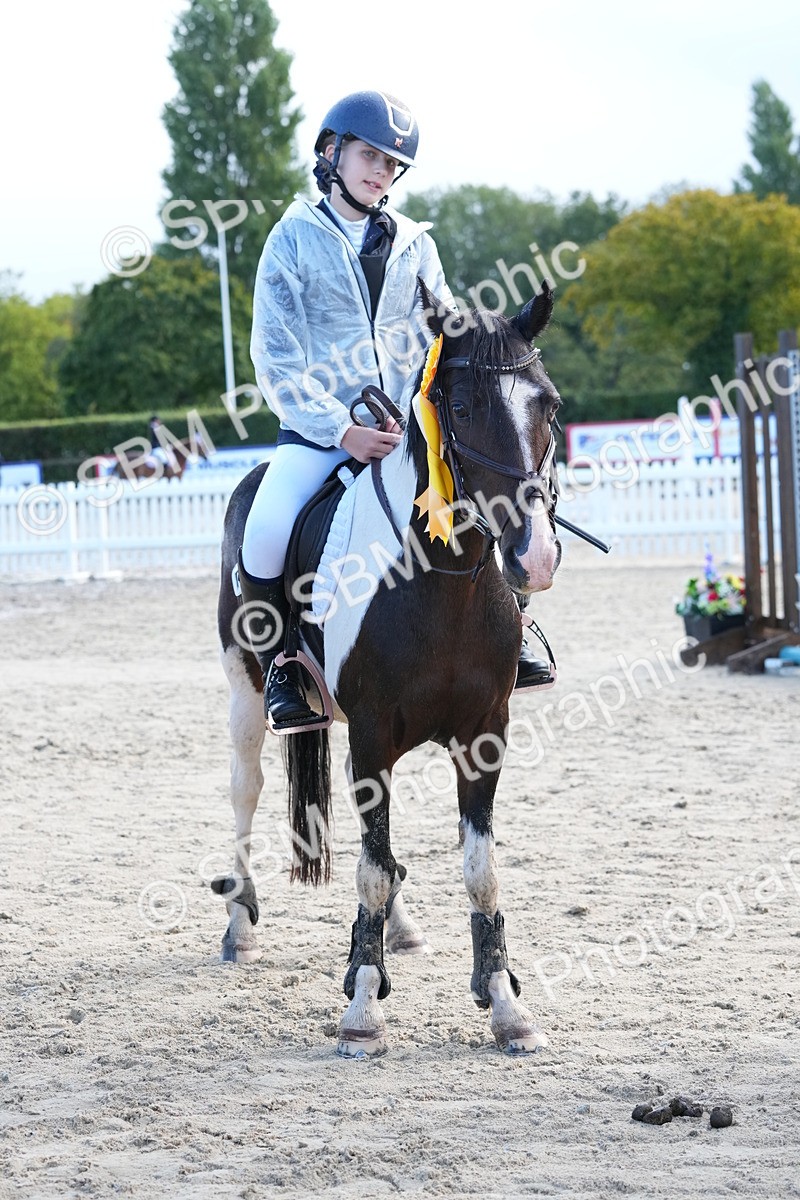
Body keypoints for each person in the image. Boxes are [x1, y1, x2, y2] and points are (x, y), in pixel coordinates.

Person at [239, 90, 549, 731]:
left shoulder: (416, 244)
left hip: (410, 430)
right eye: (368, 155)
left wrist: (430, 416)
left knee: (486, 495)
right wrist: (341, 430)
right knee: (265, 531)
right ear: (332, 152)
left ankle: (511, 626)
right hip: (319, 431)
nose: (380, 172)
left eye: (391, 164)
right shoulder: (291, 240)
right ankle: (284, 672)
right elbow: (275, 359)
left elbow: (446, 337)